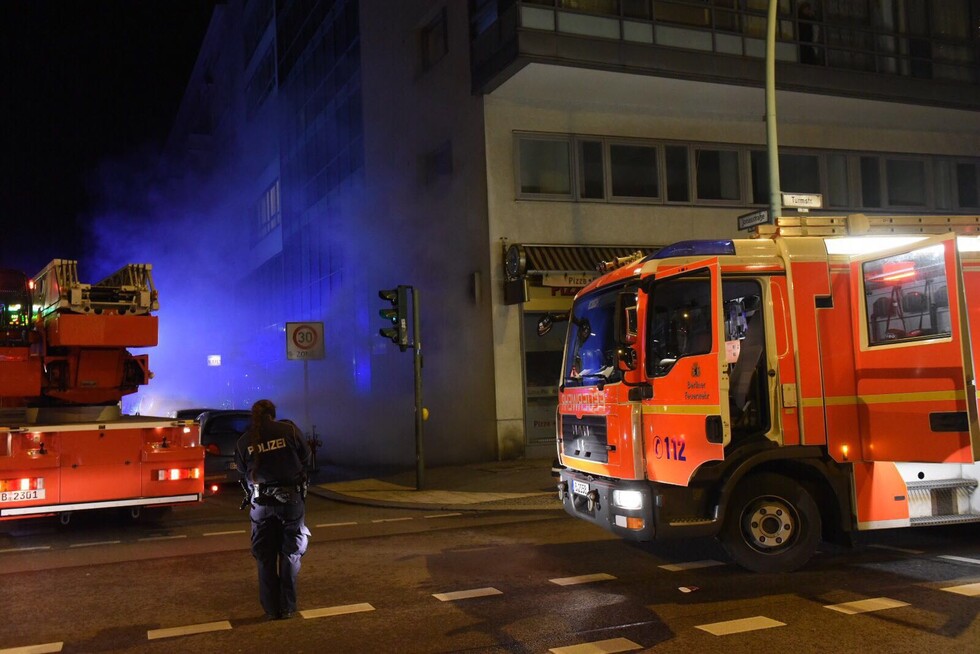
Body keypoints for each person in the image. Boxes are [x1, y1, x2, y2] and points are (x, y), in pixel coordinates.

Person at [235, 399, 312, 620]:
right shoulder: (289, 430)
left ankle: (270, 610)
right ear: (273, 414)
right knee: (290, 554)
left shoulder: (243, 441)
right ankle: (287, 607)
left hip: (261, 506)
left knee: (265, 557)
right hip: (291, 502)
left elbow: (241, 470)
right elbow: (306, 458)